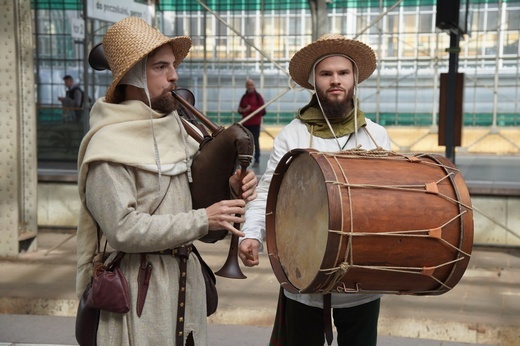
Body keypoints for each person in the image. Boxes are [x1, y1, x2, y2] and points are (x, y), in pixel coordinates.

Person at [76, 17, 257, 345]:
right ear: (132, 75)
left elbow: (206, 226)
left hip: (186, 287)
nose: (174, 76)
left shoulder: (181, 131)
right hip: (139, 292)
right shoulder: (107, 147)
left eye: (173, 65)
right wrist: (204, 218)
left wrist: (230, 190)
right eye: (161, 67)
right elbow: (124, 230)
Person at [238, 34, 392, 346]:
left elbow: (386, 202)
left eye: (343, 73)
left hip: (361, 279)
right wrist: (251, 234)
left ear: (354, 79)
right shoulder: (292, 135)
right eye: (326, 74)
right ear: (314, 82)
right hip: (303, 275)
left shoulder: (376, 136)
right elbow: (269, 191)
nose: (336, 81)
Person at [237, 79, 266, 167]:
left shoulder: (258, 97)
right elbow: (240, 109)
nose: (250, 86)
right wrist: (241, 110)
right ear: (246, 86)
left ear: (254, 86)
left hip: (255, 124)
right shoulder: (244, 97)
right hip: (245, 124)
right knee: (243, 142)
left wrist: (251, 108)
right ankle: (242, 161)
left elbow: (263, 110)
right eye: (248, 85)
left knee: (255, 142)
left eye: (251, 85)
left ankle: (257, 160)